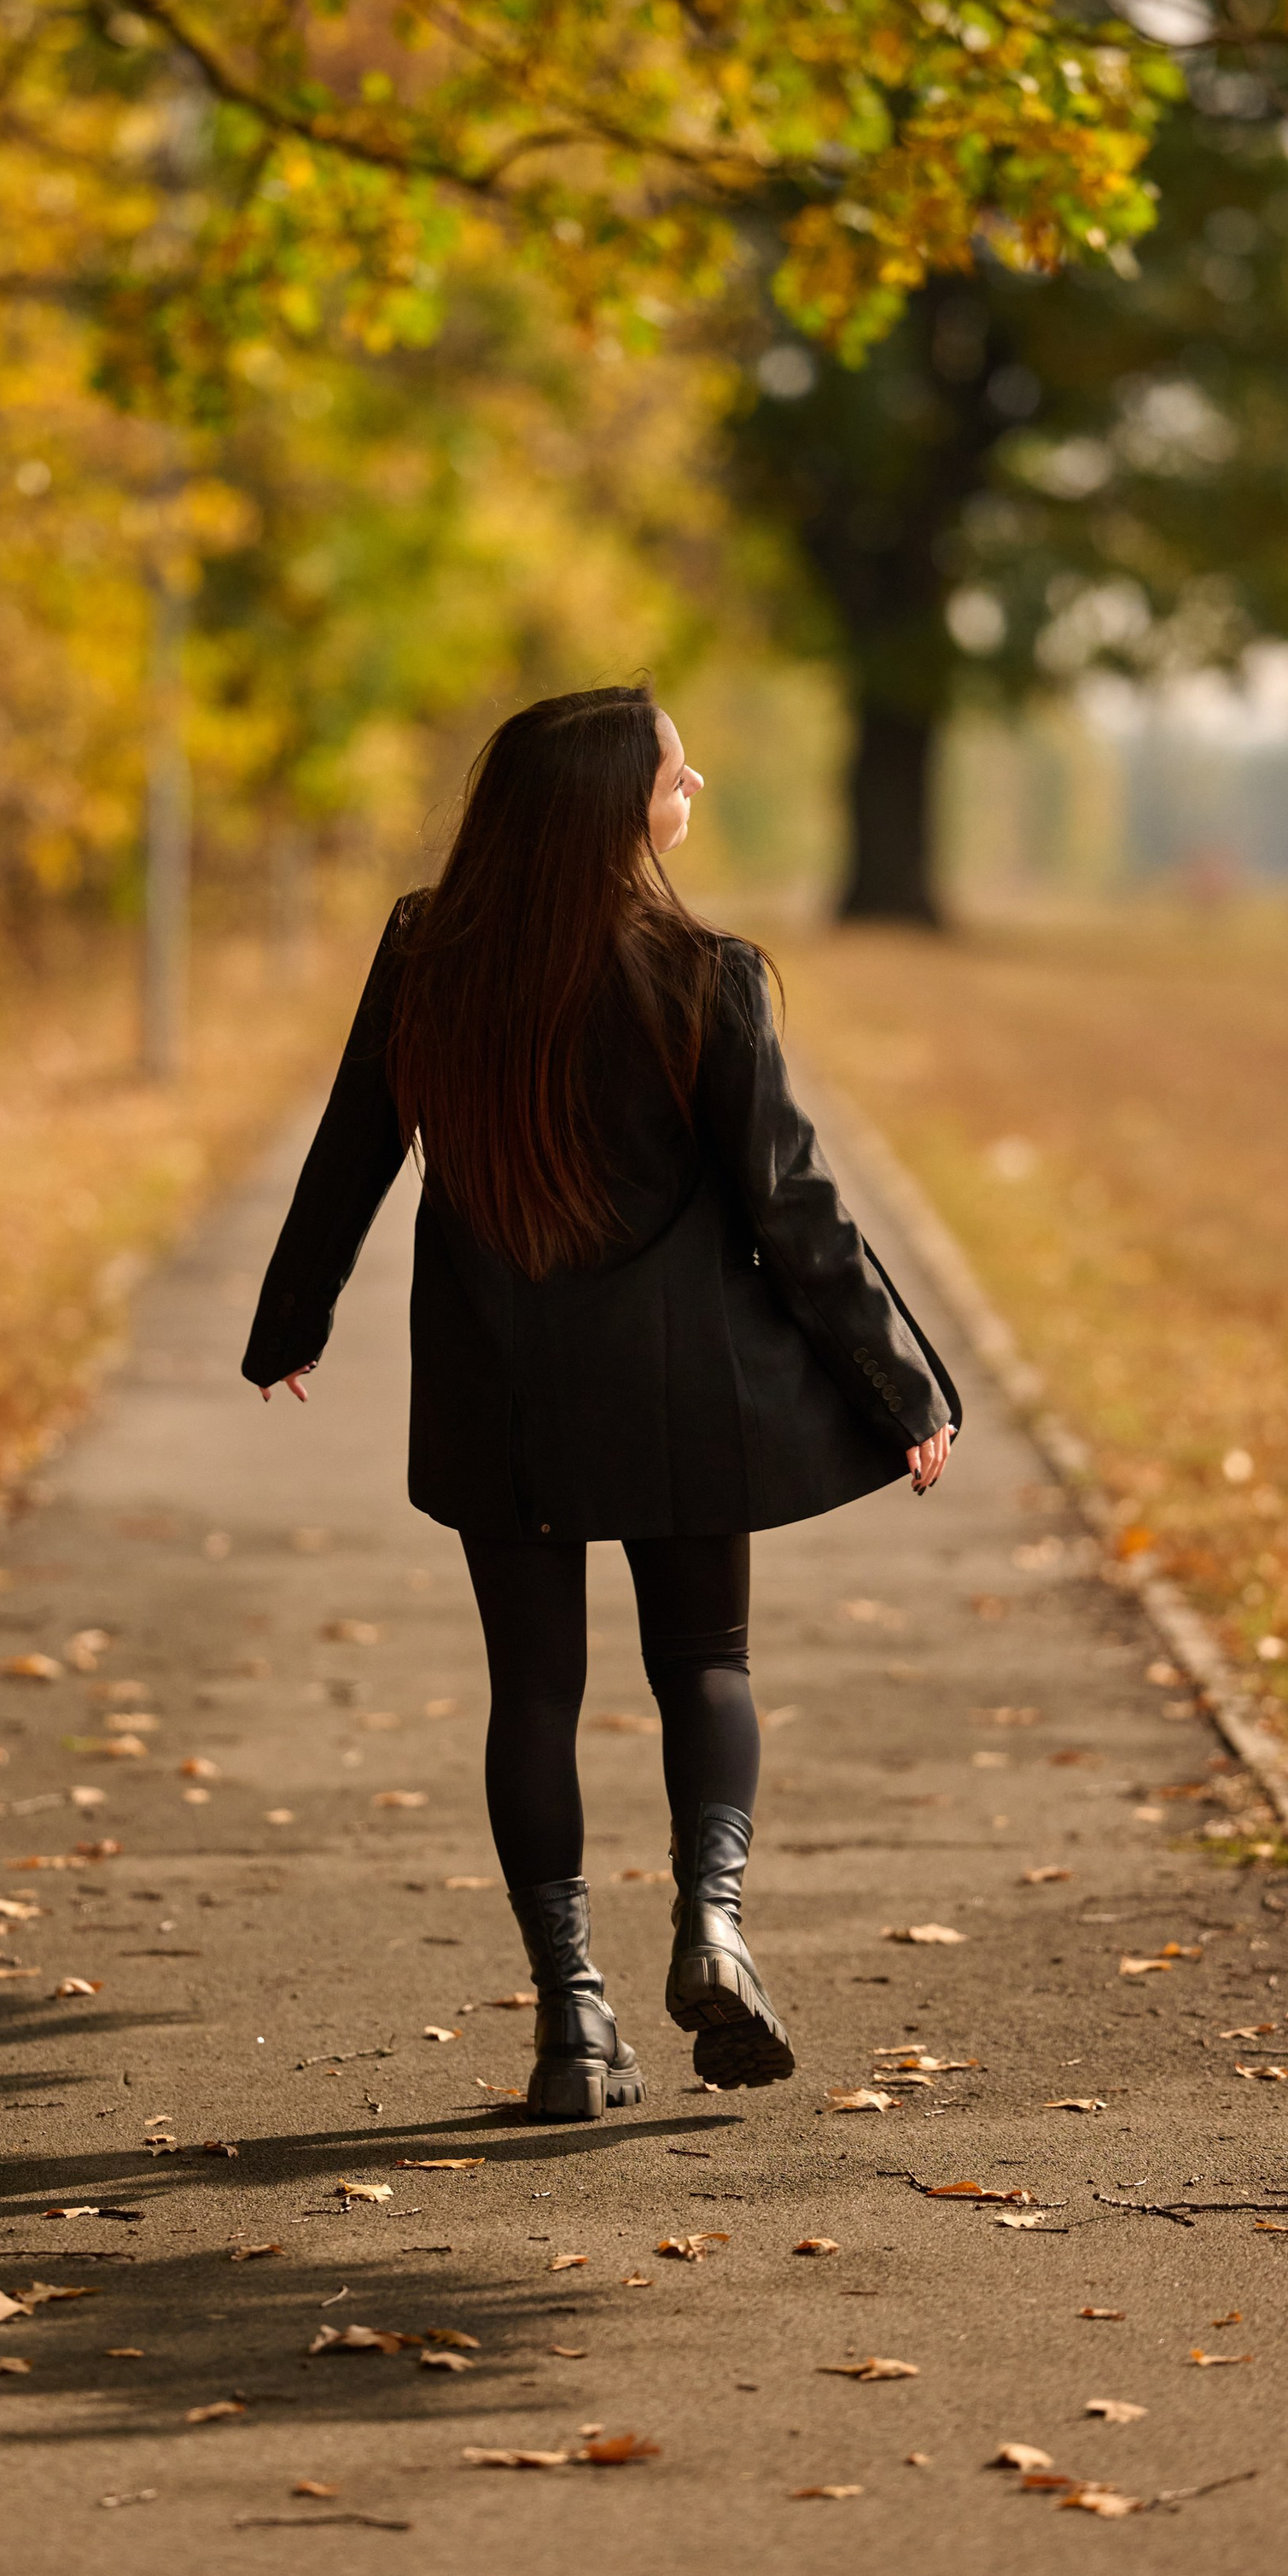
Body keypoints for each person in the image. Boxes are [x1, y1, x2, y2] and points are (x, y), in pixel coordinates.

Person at [242, 686, 960, 2121]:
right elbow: (795, 1206)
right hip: (689, 1394)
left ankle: (573, 2019)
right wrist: (903, 1383)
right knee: (705, 1659)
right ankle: (714, 1927)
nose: (696, 778)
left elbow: (352, 1147)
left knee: (535, 1694)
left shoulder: (425, 952)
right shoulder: (708, 974)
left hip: (494, 1388)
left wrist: (290, 1319)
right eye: (675, 768)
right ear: (616, 805)